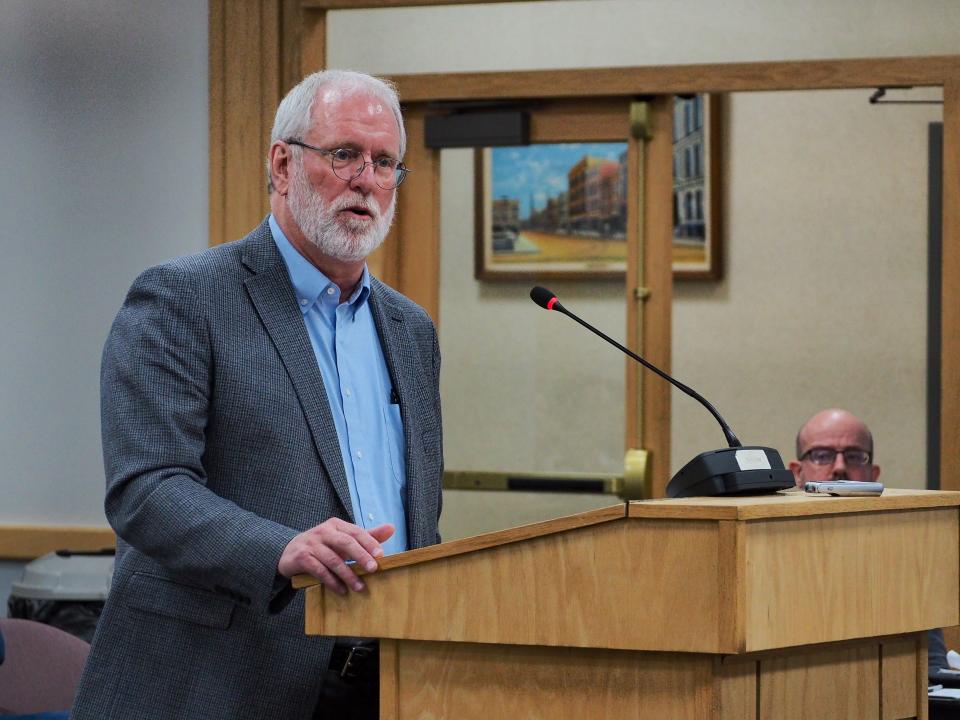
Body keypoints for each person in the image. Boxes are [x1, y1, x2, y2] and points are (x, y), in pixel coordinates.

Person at [71, 70, 443, 720]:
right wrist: (279, 547)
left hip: (384, 683)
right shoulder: (182, 299)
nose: (365, 180)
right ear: (282, 164)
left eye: (385, 163)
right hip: (219, 683)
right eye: (344, 155)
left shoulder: (410, 330)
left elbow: (418, 522)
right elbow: (146, 490)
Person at [789, 408, 949, 681]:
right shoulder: (773, 553)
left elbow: (932, 665)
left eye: (853, 456)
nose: (839, 467)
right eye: (822, 455)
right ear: (797, 472)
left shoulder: (904, 557)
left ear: (873, 473)